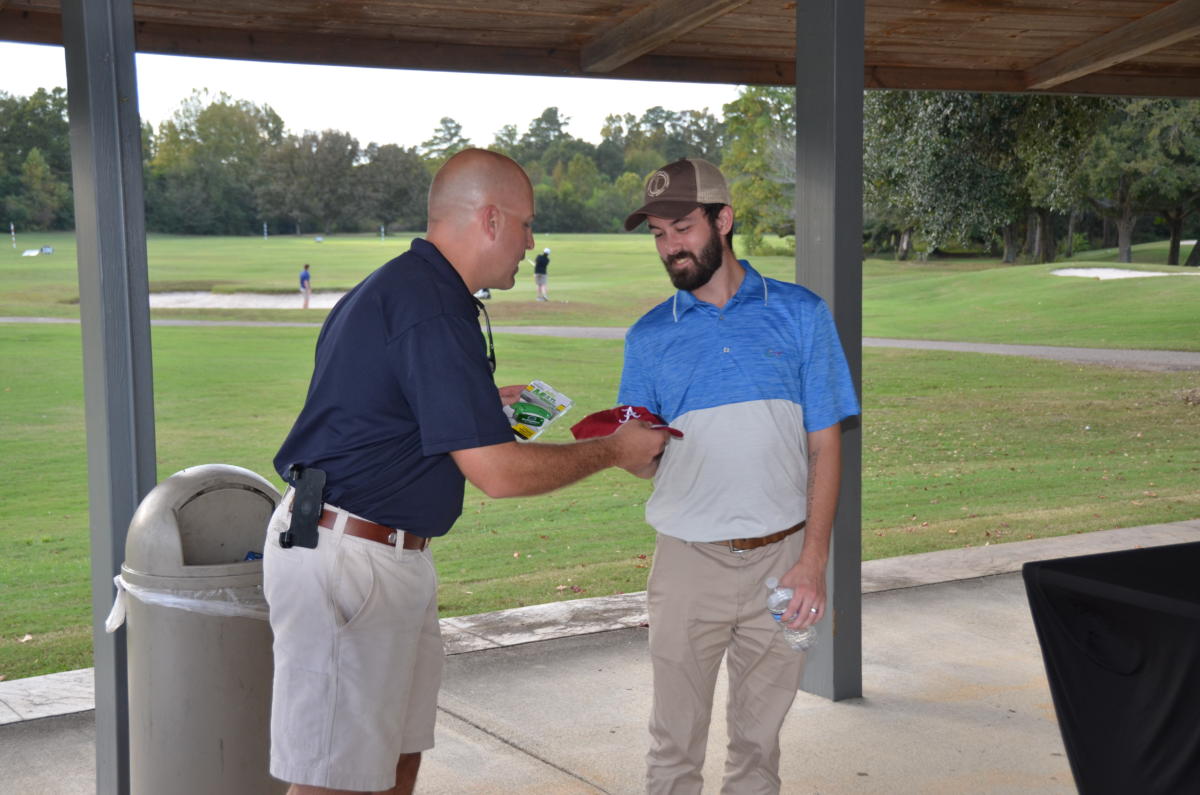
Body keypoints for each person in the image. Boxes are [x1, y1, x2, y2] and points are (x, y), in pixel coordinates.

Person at [263, 148, 669, 795]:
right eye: (526, 225)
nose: (530, 243)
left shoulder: (414, 290)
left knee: (398, 758)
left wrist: (475, 402)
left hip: (382, 555)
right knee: (332, 782)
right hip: (349, 560)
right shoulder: (429, 308)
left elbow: (388, 410)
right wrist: (615, 451)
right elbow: (497, 473)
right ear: (490, 219)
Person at [618, 158, 860, 794]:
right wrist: (626, 451)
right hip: (686, 564)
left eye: (683, 229)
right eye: (658, 235)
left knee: (758, 750)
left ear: (723, 220)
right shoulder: (647, 338)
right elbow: (645, 461)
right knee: (673, 747)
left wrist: (813, 561)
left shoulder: (802, 314)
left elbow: (826, 446)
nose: (670, 247)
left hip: (782, 561)